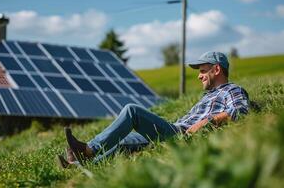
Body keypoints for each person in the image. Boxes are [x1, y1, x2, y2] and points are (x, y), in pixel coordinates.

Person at [58, 51, 249, 167]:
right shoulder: (208, 96)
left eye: (202, 70)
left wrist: (208, 122)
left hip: (183, 136)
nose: (199, 76)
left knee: (132, 111)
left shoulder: (232, 90)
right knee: (122, 142)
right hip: (175, 129)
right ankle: (80, 165)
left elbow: (241, 110)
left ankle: (89, 150)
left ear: (216, 70)